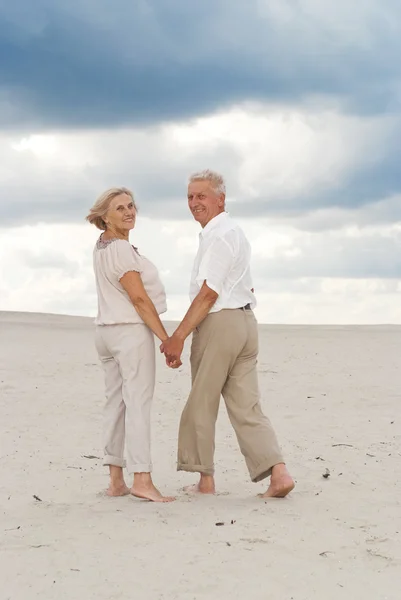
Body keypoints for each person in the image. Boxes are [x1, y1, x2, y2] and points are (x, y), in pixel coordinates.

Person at [161, 170, 295, 498]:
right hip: (245, 324)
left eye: (201, 196)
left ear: (220, 199)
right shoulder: (233, 232)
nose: (194, 203)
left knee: (202, 401)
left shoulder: (220, 236)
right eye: (190, 197)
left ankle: (204, 481)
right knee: (246, 405)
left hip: (221, 325)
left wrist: (178, 336)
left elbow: (209, 293)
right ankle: (278, 473)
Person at [86, 187, 176, 503]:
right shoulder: (121, 250)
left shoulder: (102, 247)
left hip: (105, 332)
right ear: (104, 217)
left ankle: (115, 480)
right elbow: (139, 299)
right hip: (128, 332)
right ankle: (142, 478)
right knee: (138, 403)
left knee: (116, 403)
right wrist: (166, 339)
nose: (128, 211)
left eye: (131, 205)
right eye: (120, 208)